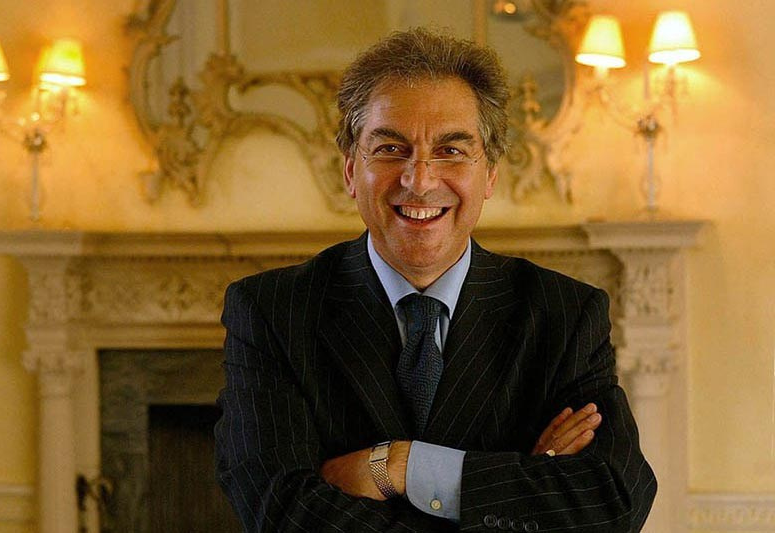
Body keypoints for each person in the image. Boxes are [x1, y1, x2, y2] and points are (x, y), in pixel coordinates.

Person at [215, 28, 656, 532]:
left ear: (489, 173)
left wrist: (402, 467)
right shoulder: (271, 311)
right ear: (349, 171)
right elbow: (282, 512)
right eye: (389, 149)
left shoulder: (564, 313)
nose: (419, 179)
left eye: (450, 151)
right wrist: (519, 486)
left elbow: (615, 500)